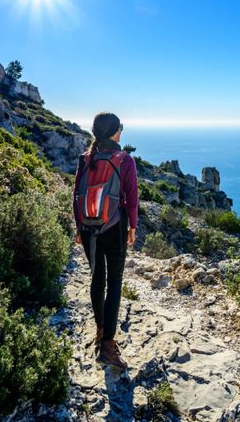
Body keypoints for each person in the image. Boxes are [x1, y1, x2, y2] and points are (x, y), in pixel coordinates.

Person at [72, 112, 138, 370]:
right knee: (114, 283)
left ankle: (100, 331)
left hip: (88, 228)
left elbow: (76, 194)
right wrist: (132, 226)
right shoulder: (125, 160)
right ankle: (108, 346)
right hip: (115, 227)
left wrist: (79, 227)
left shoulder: (85, 159)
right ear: (113, 131)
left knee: (96, 280)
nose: (122, 131)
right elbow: (131, 199)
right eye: (120, 127)